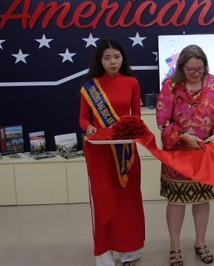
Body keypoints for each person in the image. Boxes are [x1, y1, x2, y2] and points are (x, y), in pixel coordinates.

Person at [156, 44, 214, 266]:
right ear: (182, 67)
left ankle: (200, 242)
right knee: (176, 201)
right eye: (191, 70)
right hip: (178, 155)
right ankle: (175, 246)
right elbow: (163, 121)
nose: (197, 73)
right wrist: (183, 136)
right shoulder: (170, 86)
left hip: (204, 154)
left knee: (202, 199)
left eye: (200, 68)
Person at [79, 39, 144, 266]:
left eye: (116, 56)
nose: (112, 62)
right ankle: (104, 257)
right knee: (103, 201)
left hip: (126, 150)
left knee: (129, 201)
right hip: (100, 151)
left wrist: (130, 130)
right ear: (100, 60)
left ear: (122, 57)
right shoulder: (90, 85)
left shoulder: (132, 82)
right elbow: (83, 117)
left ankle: (130, 253)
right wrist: (88, 127)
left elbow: (136, 116)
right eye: (107, 58)